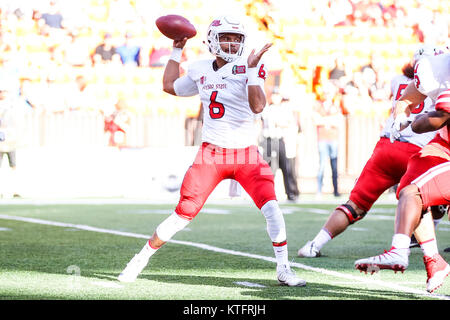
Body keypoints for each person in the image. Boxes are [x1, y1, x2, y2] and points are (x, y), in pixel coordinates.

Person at [117, 16, 306, 287]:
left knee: (273, 209)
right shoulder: (199, 68)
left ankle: (283, 268)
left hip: (245, 154)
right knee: (183, 212)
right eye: (226, 37)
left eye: (236, 38)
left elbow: (258, 107)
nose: (231, 43)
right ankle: (140, 259)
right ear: (212, 40)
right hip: (212, 154)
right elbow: (170, 86)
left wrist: (251, 71)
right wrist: (176, 49)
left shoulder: (250, 64)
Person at [298, 45, 439, 259]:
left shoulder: (397, 79)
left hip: (386, 146)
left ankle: (314, 245)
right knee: (427, 200)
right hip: (416, 152)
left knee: (355, 205)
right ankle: (428, 256)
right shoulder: (439, 84)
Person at [354, 52, 450, 293]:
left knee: (413, 192)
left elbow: (438, 118)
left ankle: (399, 250)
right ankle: (433, 261)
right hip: (444, 145)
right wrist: (400, 116)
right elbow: (407, 99)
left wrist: (412, 123)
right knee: (410, 184)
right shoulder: (437, 65)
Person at [260, 89, 300, 201]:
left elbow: (288, 122)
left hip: (279, 139)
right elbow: (263, 122)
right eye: (274, 95)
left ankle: (291, 193)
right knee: (268, 170)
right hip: (269, 140)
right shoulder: (267, 109)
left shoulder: (284, 109)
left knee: (286, 167)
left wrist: (279, 122)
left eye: (277, 95)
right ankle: (268, 194)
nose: (275, 97)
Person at [313, 81, 343, 197]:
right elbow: (316, 120)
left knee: (334, 165)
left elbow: (338, 122)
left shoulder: (335, 106)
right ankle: (319, 190)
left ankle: (336, 190)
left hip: (333, 138)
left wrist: (324, 120)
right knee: (321, 165)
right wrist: (330, 121)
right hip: (323, 138)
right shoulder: (319, 106)